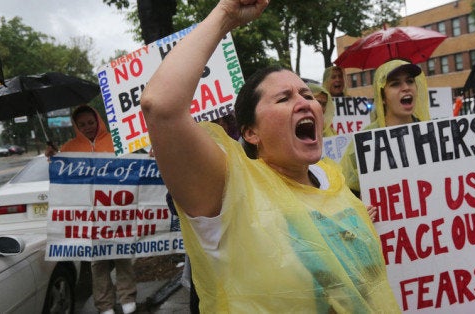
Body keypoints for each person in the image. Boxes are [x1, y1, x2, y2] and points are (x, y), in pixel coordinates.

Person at [139, 0, 400, 312]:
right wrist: (225, 16)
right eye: (284, 98)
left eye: (306, 95)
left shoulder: (329, 176)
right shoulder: (229, 189)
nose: (304, 102)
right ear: (251, 132)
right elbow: (161, 106)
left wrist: (350, 223)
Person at [46, 105, 137, 314]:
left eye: (91, 122)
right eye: (82, 124)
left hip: (117, 209)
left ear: (98, 120)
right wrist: (53, 158)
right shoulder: (69, 148)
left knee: (123, 255)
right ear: (76, 126)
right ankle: (104, 304)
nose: (88, 127)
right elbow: (64, 176)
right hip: (90, 215)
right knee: (98, 262)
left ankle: (127, 298)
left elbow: (134, 166)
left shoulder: (116, 142)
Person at [339, 58, 431, 196]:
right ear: (382, 97)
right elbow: (347, 188)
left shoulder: (431, 133)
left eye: (410, 81)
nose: (406, 87)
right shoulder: (366, 140)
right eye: (395, 84)